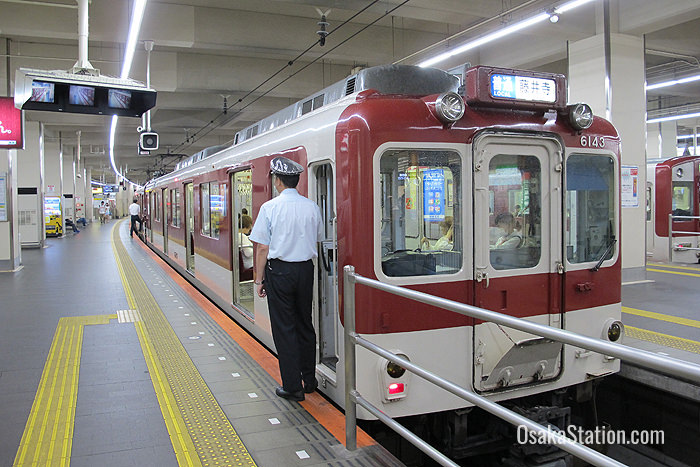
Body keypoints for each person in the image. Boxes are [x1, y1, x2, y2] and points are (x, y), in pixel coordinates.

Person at [249, 156, 323, 402]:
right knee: (305, 323)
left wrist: (259, 281)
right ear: (297, 181)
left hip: (280, 272)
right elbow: (318, 239)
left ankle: (293, 387)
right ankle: (309, 380)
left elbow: (262, 248)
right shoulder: (312, 207)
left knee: (285, 328)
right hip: (305, 270)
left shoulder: (270, 208)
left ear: (278, 181)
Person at [238, 214, 254, 280]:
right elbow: (248, 254)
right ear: (246, 227)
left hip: (245, 264)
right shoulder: (242, 236)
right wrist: (256, 249)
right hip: (249, 265)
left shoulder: (237, 235)